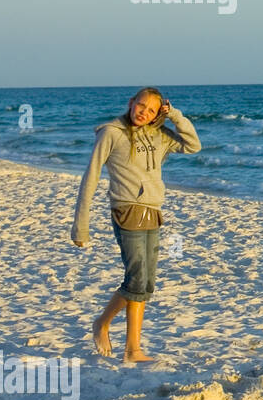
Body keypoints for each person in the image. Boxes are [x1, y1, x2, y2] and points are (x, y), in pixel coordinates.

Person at [71, 87, 201, 362]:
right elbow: (91, 177)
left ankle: (121, 339)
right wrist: (81, 226)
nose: (144, 112)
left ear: (158, 113)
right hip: (126, 210)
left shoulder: (159, 135)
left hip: (153, 211)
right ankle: (116, 335)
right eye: (141, 105)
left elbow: (193, 145)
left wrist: (174, 114)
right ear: (131, 103)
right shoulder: (111, 133)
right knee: (136, 280)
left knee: (146, 284)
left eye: (152, 110)